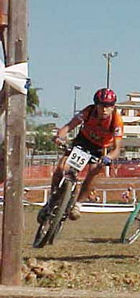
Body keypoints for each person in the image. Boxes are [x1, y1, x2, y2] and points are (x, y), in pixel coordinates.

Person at [39, 88, 123, 222]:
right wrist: (60, 137)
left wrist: (108, 158)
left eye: (109, 106)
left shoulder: (116, 121)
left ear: (113, 106)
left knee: (95, 171)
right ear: (96, 105)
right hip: (82, 142)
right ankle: (53, 198)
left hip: (99, 148)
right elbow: (69, 126)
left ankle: (78, 204)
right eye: (101, 105)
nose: (105, 109)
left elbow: (117, 148)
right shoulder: (88, 112)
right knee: (62, 168)